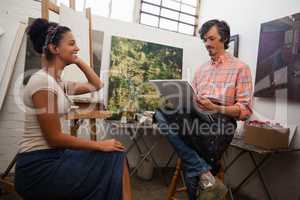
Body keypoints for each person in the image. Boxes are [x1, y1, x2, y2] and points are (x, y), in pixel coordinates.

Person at [15, 18, 132, 200]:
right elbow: (54, 138)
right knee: (114, 157)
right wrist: (100, 145)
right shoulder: (42, 82)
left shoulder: (58, 82)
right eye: (71, 44)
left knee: (117, 154)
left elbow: (96, 84)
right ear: (55, 49)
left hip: (53, 156)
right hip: (38, 166)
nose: (77, 48)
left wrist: (78, 61)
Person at [155, 19, 253, 200]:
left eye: (211, 39)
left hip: (221, 122)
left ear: (223, 38)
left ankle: (201, 171)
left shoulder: (241, 68)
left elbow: (245, 110)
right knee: (160, 112)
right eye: (204, 40)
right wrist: (181, 101)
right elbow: (192, 97)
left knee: (191, 153)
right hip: (197, 117)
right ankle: (205, 173)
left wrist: (216, 107)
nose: (207, 44)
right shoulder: (201, 70)